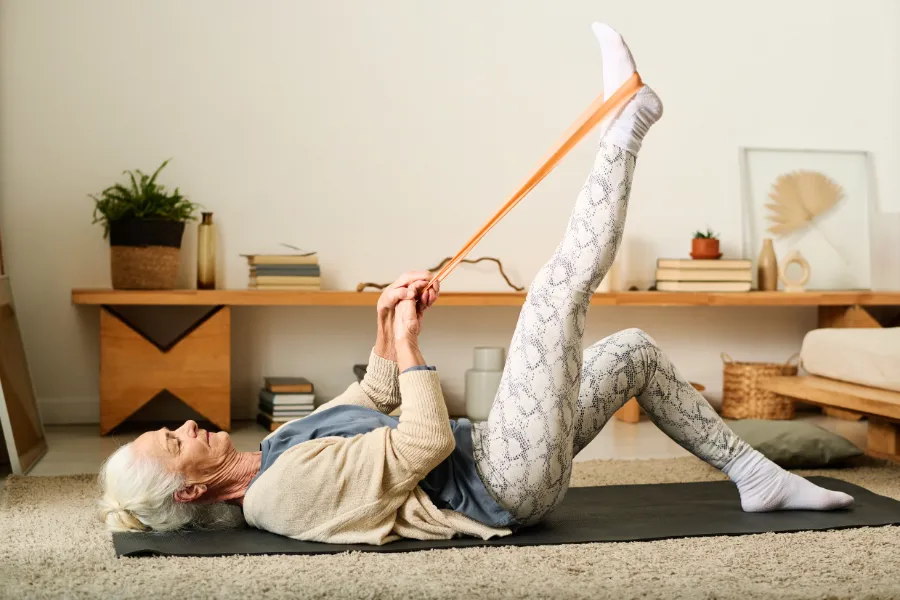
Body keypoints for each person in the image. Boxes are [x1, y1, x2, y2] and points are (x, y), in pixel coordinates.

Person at [97, 23, 853, 542]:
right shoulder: (273, 498)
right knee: (555, 293)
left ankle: (757, 476)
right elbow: (420, 442)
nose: (185, 425)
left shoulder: (278, 446)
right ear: (191, 489)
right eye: (173, 441)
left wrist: (389, 322)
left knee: (630, 351)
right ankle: (629, 123)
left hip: (495, 448)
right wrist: (416, 344)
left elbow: (374, 398)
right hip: (499, 485)